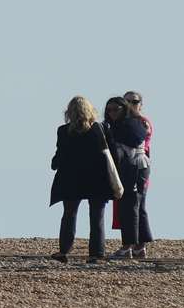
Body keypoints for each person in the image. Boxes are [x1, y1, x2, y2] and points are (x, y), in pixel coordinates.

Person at [49, 96, 114, 262]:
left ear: (69, 112)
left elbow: (60, 156)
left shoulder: (63, 131)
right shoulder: (99, 128)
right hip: (97, 179)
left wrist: (54, 163)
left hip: (71, 179)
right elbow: (109, 153)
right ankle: (96, 254)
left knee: (69, 214)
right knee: (97, 216)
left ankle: (64, 251)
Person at [105, 96, 151, 259]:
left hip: (133, 166)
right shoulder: (134, 123)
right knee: (136, 206)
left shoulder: (126, 125)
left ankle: (128, 246)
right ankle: (139, 246)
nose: (112, 113)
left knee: (129, 206)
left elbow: (133, 142)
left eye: (116, 110)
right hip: (138, 166)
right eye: (109, 110)